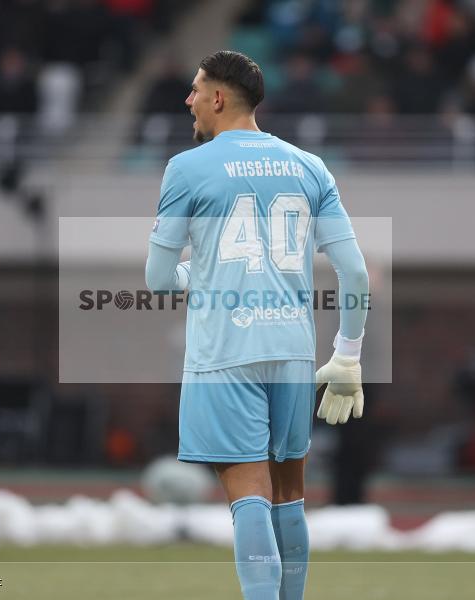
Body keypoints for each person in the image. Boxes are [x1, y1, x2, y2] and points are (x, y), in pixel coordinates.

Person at [145, 50, 369, 600]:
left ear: (219, 98)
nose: (189, 100)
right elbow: (356, 273)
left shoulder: (186, 168)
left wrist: (197, 274)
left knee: (249, 496)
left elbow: (157, 279)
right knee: (288, 498)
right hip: (292, 352)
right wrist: (347, 356)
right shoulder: (310, 166)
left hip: (226, 353)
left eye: (196, 90)